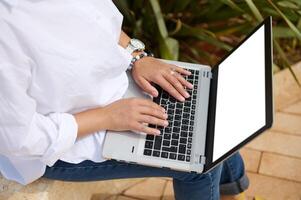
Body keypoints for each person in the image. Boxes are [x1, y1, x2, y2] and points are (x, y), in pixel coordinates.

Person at [0, 1, 248, 199]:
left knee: (207, 105)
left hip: (121, 87)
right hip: (70, 141)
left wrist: (137, 56)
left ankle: (234, 189)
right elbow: (21, 140)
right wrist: (107, 117)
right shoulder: (6, 29)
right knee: (200, 163)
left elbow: (103, 21)